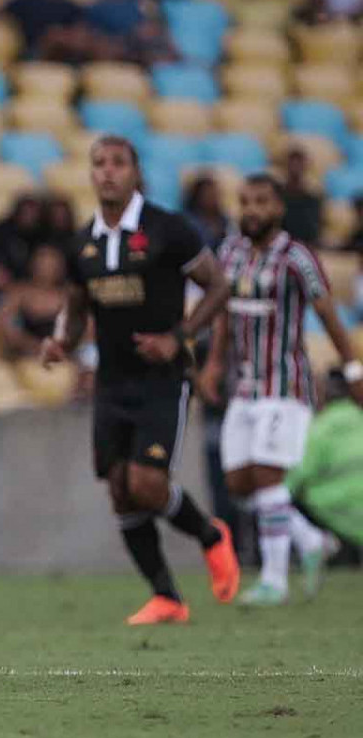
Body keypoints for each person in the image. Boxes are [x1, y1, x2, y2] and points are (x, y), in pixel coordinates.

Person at [41, 134, 240, 625]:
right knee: (119, 489)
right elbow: (77, 304)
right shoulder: (84, 242)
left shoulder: (169, 229)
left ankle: (212, 536)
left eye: (118, 163)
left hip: (161, 380)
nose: (107, 171)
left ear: (136, 172)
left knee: (147, 484)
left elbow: (218, 286)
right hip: (111, 383)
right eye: (99, 164)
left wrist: (181, 336)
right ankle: (167, 597)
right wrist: (61, 342)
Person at [197, 173, 363, 606]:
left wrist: (354, 370)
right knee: (238, 483)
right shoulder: (229, 251)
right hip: (244, 384)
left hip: (286, 384)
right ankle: (310, 538)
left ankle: (274, 579)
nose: (252, 210)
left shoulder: (297, 257)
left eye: (261, 202)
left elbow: (328, 314)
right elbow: (222, 313)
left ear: (278, 208)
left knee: (269, 477)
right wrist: (214, 363)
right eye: (246, 201)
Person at [288, 368, 363, 547]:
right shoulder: (359, 417)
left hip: (334, 510)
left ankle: (320, 545)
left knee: (277, 498)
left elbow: (294, 479)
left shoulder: (317, 428)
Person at [0, 244, 68, 359]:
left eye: (50, 264)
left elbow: (85, 330)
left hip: (60, 355)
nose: (45, 268)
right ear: (33, 264)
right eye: (42, 263)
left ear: (59, 268)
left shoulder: (66, 297)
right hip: (24, 354)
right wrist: (28, 344)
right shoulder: (20, 292)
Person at [281, 146, 323, 247]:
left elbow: (313, 230)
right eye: (292, 163)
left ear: (305, 166)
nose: (295, 167)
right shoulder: (278, 197)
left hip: (305, 245)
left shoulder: (312, 199)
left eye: (299, 163)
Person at [183, 175, 229, 252]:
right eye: (208, 195)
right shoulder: (188, 222)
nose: (213, 199)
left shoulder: (225, 221)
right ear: (198, 196)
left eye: (215, 194)